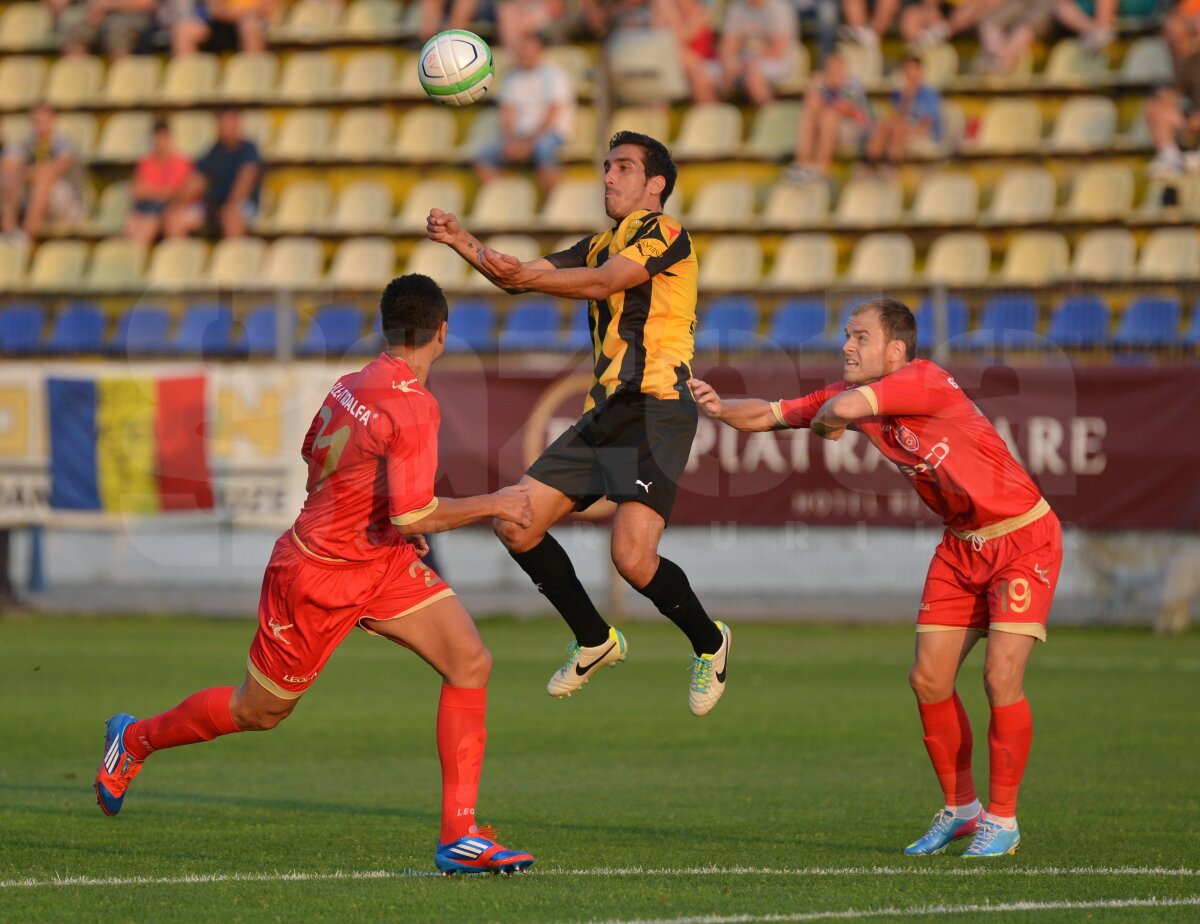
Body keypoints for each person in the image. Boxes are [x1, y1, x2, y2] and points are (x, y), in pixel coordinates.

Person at [93, 274, 537, 877]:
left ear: (387, 327)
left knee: (470, 661)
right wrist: (499, 502)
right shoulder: (414, 404)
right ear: (443, 331)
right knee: (260, 711)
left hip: (378, 561)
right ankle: (136, 739)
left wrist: (385, 525)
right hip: (318, 577)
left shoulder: (353, 382)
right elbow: (417, 511)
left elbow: (318, 461)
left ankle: (459, 834)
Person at [690, 297, 1062, 857]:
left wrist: (828, 420)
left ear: (895, 349)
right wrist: (720, 411)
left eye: (859, 336)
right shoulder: (861, 399)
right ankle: (963, 810)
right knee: (928, 680)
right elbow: (771, 413)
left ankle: (1003, 821)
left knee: (999, 677)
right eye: (846, 334)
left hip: (1021, 537)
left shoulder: (924, 379)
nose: (846, 345)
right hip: (961, 547)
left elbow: (836, 413)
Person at [426, 131, 732, 716]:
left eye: (623, 168)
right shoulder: (598, 244)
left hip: (658, 409)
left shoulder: (665, 234)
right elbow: (516, 277)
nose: (608, 178)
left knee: (633, 560)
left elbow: (601, 284)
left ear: (655, 184)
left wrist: (528, 274)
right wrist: (461, 240)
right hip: (608, 413)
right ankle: (595, 639)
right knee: (516, 522)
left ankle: (711, 642)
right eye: (607, 168)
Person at [473, 30, 575, 196]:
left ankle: (552, 203)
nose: (522, 54)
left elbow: (553, 114)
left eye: (527, 49)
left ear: (539, 51)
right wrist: (512, 141)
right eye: (520, 50)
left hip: (550, 134)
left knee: (544, 150)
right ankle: (507, 199)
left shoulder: (554, 75)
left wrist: (529, 143)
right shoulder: (512, 78)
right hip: (520, 136)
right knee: (483, 159)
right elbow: (507, 113)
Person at [166, 109, 262, 240]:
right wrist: (178, 202)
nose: (225, 129)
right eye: (222, 124)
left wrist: (229, 206)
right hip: (214, 204)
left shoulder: (248, 149)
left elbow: (245, 181)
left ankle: (233, 257)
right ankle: (181, 258)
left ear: (237, 124)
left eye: (228, 124)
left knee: (231, 217)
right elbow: (197, 181)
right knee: (175, 219)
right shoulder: (214, 151)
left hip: (243, 204)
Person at [1, 104, 85, 238]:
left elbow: (51, 171)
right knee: (8, 179)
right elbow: (7, 166)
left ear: (54, 120)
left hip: (68, 205)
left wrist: (24, 173)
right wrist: (27, 174)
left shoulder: (65, 143)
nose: (41, 126)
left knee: (44, 180)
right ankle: (9, 231)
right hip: (33, 197)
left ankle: (28, 235)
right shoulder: (27, 142)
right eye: (37, 122)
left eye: (45, 121)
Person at [787, 51, 871, 180]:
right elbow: (810, 103)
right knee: (808, 116)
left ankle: (821, 168)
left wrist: (828, 95)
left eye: (836, 68)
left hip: (853, 130)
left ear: (843, 68)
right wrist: (814, 86)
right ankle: (801, 165)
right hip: (824, 124)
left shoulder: (852, 84)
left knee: (830, 117)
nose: (833, 72)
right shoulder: (821, 81)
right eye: (830, 68)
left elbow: (844, 108)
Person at [864, 55, 943, 171]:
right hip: (903, 127)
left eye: (912, 70)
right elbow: (900, 116)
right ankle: (869, 164)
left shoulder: (929, 93)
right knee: (885, 124)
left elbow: (927, 122)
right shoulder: (899, 94)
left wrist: (913, 133)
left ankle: (891, 168)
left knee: (898, 127)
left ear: (920, 71)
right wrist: (907, 97)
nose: (909, 74)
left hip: (926, 133)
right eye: (906, 70)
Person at [715, 0, 800, 106]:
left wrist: (746, 63)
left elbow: (777, 49)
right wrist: (729, 60)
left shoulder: (781, 8)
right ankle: (712, 119)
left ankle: (770, 116)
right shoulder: (737, 8)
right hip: (746, 61)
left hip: (778, 61)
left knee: (754, 76)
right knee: (704, 76)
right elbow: (728, 44)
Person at [125, 121, 193, 247]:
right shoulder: (146, 162)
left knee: (153, 225)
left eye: (163, 138)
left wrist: (152, 191)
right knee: (131, 225)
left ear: (169, 138)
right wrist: (160, 192)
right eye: (157, 139)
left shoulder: (181, 162)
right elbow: (137, 191)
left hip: (171, 209)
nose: (160, 143)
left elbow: (178, 193)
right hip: (149, 208)